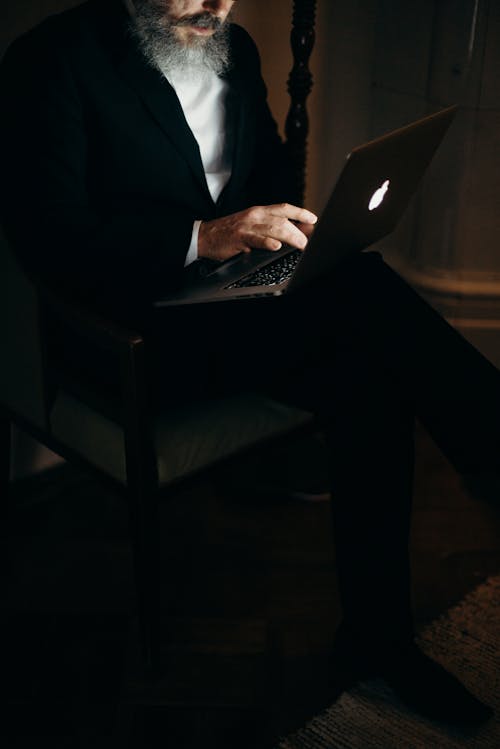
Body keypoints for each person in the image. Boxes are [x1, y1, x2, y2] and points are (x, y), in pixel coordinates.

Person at [1, 0, 497, 726]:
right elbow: (55, 245)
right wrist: (205, 237)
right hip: (126, 334)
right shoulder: (52, 63)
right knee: (367, 302)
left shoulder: (235, 51)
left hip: (230, 311)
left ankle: (376, 642)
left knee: (371, 369)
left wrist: (292, 234)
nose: (218, 2)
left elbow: (266, 177)